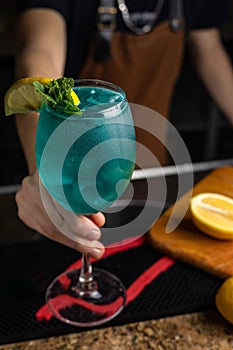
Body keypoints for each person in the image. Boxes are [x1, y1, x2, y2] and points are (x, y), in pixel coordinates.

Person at [13, 0, 233, 258]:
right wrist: (43, 173)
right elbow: (39, 53)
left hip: (149, 170)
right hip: (69, 176)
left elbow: (210, 51)